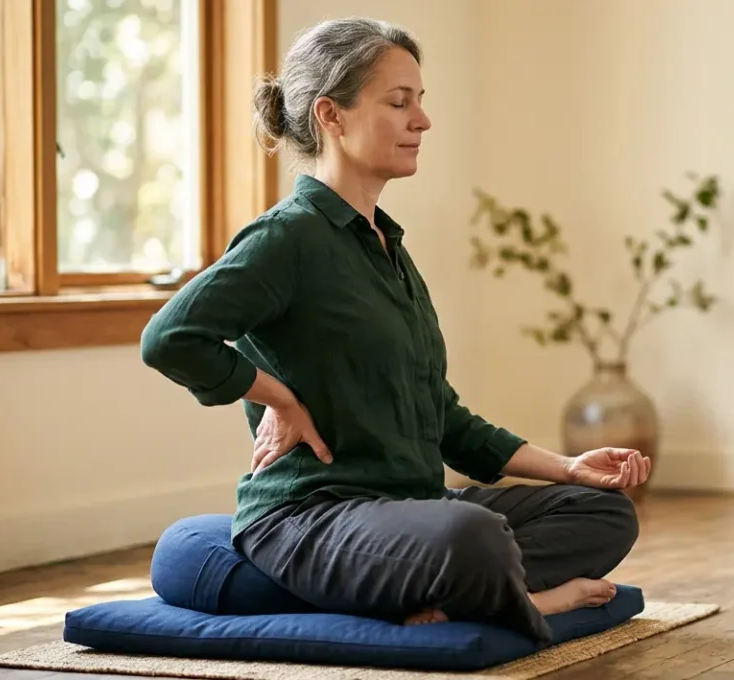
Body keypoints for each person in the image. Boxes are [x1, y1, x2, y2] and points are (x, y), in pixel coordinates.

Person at [139, 17, 648, 643]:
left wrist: (569, 467)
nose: (422, 121)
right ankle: (534, 603)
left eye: (421, 102)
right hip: (314, 518)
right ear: (332, 115)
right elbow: (169, 337)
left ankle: (472, 595)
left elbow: (445, 419)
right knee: (472, 537)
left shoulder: (388, 249)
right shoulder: (287, 238)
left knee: (603, 513)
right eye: (398, 102)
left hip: (411, 510)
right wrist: (276, 395)